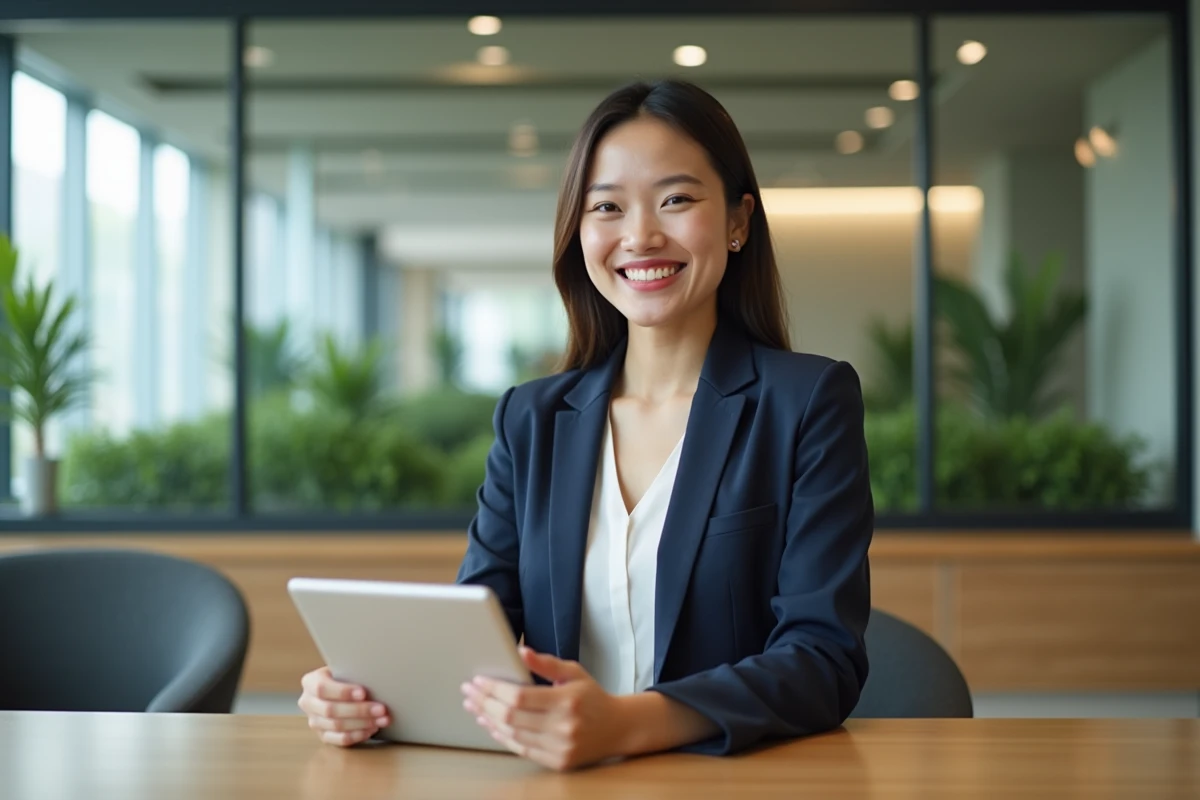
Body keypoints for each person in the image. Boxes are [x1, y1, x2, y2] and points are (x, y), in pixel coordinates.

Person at [298, 79, 874, 771]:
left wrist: (627, 724)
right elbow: (482, 632)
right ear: (580, 231)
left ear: (737, 221)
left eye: (677, 199)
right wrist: (369, 693)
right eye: (607, 207)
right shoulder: (532, 419)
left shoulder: (807, 401)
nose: (640, 236)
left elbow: (821, 658)